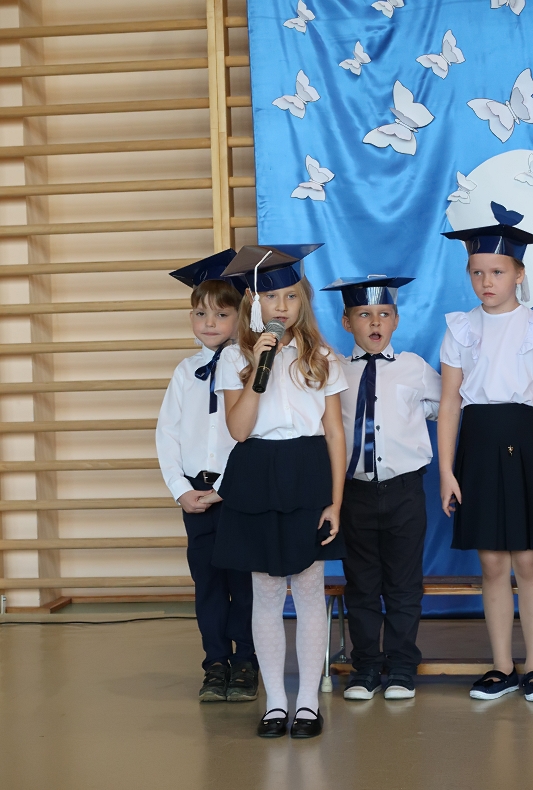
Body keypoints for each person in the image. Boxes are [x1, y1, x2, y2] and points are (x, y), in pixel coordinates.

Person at [212, 244, 348, 739]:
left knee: (309, 589)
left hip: (307, 470)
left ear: (302, 300)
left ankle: (307, 702)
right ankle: (275, 702)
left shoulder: (322, 357)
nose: (282, 306)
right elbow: (239, 430)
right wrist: (258, 369)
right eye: (272, 297)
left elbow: (335, 432)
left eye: (291, 296)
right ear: (255, 302)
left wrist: (335, 501)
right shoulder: (235, 357)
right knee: (266, 592)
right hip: (256, 471)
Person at [322, 275, 441, 700]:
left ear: (396, 320)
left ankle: (403, 667)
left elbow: (445, 406)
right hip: (353, 493)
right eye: (364, 314)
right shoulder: (334, 370)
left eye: (384, 314)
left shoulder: (414, 367)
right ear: (346, 321)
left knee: (404, 584)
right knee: (362, 584)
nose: (375, 322)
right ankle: (367, 667)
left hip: (404, 491)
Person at [439, 201, 533, 701]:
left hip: (527, 440)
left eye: (497, 272)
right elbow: (450, 404)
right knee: (493, 563)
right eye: (477, 272)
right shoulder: (460, 328)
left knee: (529, 561)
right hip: (478, 446)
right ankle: (502, 665)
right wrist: (446, 471)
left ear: (519, 274)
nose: (486, 281)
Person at [156, 250, 258, 703]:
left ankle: (247, 662)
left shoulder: (252, 365)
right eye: (200, 313)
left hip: (238, 495)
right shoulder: (185, 372)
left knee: (245, 584)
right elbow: (167, 434)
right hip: (196, 497)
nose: (210, 322)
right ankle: (215, 662)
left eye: (221, 313)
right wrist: (181, 490)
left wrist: (225, 488)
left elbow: (255, 435)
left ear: (241, 315)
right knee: (209, 585)